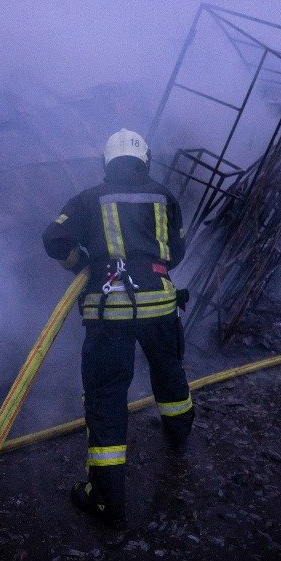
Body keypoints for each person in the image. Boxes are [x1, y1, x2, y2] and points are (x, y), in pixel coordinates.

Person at [42, 128, 194, 529]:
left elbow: (53, 238)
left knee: (107, 398)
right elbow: (176, 252)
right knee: (170, 374)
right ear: (145, 160)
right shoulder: (166, 196)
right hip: (161, 306)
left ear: (107, 162)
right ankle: (179, 439)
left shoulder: (88, 198)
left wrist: (80, 263)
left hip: (109, 313)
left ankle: (108, 501)